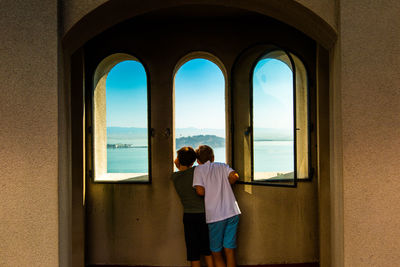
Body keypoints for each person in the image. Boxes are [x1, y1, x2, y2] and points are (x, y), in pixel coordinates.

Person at [193, 145, 241, 267]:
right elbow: (235, 176)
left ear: (198, 161)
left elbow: (200, 191)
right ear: (213, 157)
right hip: (232, 212)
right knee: (229, 250)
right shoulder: (222, 166)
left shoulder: (198, 170)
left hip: (215, 216)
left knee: (216, 252)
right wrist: (226, 183)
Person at [171, 146, 214, 267]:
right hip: (204, 215)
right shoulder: (197, 171)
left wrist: (179, 160)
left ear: (178, 160)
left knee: (193, 251)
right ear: (194, 161)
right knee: (207, 249)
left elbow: (178, 165)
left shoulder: (175, 177)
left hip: (188, 216)